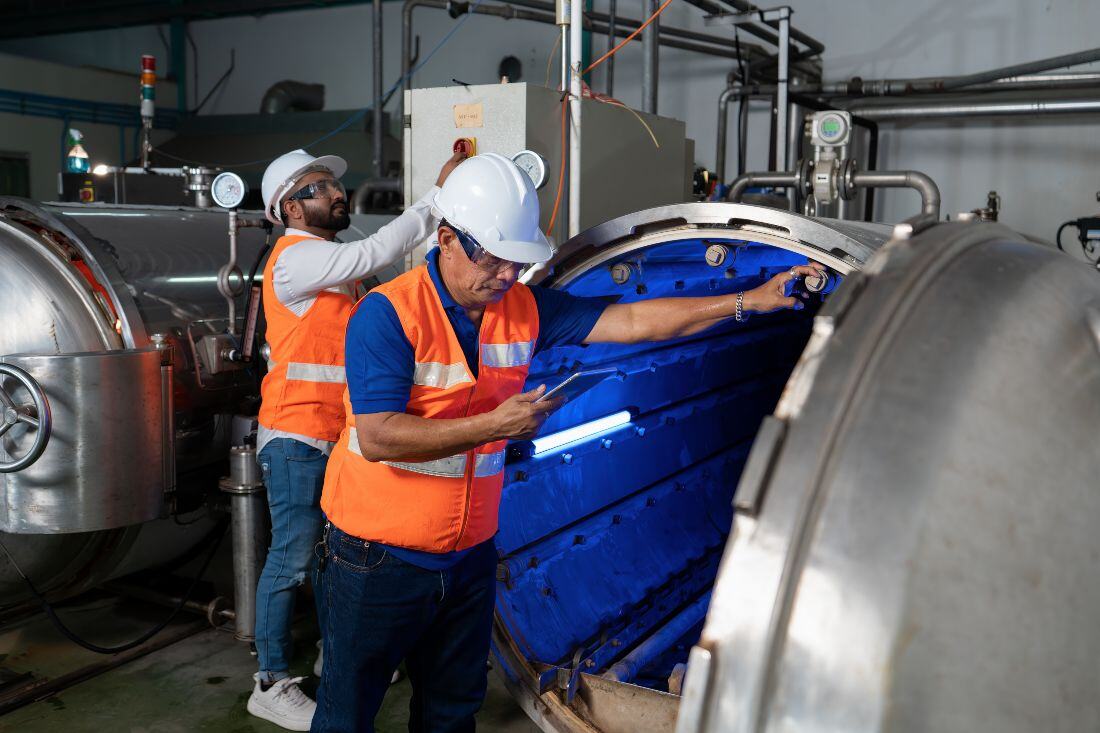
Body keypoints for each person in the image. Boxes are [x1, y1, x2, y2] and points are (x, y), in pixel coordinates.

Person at [312, 153, 821, 732]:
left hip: (470, 555)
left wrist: (745, 303)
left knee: (452, 710)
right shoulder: (387, 315)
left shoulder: (522, 307)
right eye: (495, 259)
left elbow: (633, 323)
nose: (506, 275)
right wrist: (493, 427)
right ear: (448, 239)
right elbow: (378, 437)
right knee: (348, 712)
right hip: (380, 558)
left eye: (517, 262)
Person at [247, 148, 466, 731]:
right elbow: (375, 251)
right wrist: (437, 199)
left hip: (334, 435)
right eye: (321, 187)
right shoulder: (294, 259)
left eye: (334, 186)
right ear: (290, 206)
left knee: (330, 559)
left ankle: (334, 659)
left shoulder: (331, 271)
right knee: (291, 558)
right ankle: (269, 681)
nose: (336, 193)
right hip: (294, 432)